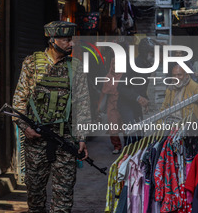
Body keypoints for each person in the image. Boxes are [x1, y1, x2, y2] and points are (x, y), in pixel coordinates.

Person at [12, 21, 91, 213]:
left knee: (63, 199)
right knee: (35, 198)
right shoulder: (31, 64)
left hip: (65, 140)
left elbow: (82, 104)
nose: (71, 44)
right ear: (52, 40)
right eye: (66, 40)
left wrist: (81, 138)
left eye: (71, 40)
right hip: (36, 141)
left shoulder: (75, 67)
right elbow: (19, 101)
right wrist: (26, 128)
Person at [117, 38, 156, 143]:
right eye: (151, 53)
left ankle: (136, 157)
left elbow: (142, 88)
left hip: (136, 104)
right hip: (125, 104)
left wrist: (145, 100)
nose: (153, 56)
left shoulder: (148, 66)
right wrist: (138, 98)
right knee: (132, 134)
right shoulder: (132, 64)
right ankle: (127, 157)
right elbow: (120, 87)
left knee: (140, 135)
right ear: (144, 52)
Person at [99, 57, 123, 154]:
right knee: (113, 127)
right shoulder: (108, 77)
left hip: (122, 104)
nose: (115, 66)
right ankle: (117, 146)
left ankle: (129, 145)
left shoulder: (124, 76)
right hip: (111, 105)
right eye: (113, 64)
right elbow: (103, 93)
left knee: (126, 126)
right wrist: (99, 106)